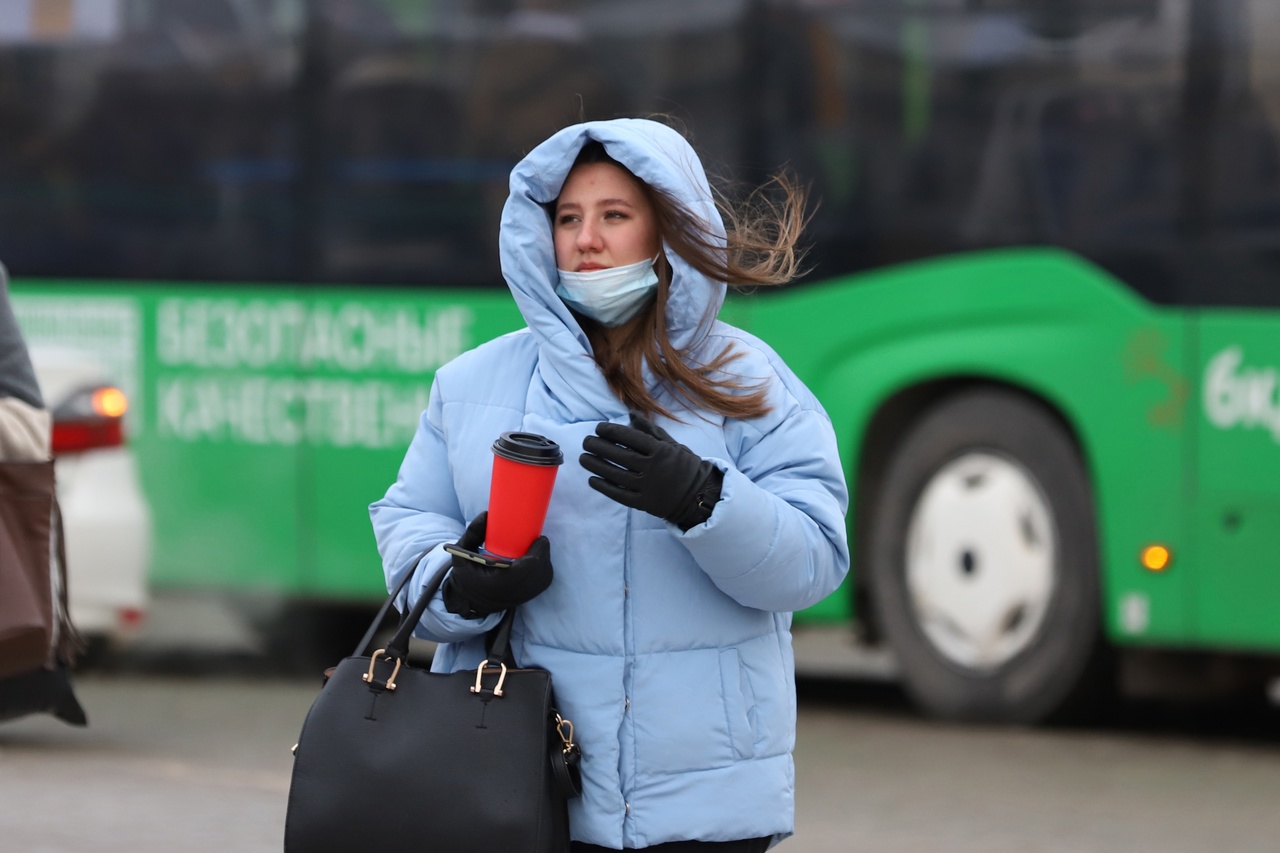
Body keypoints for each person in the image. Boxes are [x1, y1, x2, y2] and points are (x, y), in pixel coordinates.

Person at [370, 118, 849, 851]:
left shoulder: (750, 383)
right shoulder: (470, 384)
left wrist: (704, 501)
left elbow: (814, 561)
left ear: (667, 234)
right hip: (514, 786)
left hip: (704, 802)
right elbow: (408, 527)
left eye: (614, 216)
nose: (585, 239)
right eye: (567, 218)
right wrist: (465, 585)